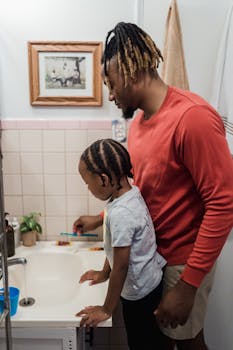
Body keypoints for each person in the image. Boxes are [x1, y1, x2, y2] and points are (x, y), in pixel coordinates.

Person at [73, 22, 233, 350]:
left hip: (182, 262)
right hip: (154, 259)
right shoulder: (140, 125)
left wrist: (188, 285)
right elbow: (142, 196)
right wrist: (101, 220)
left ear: (131, 70)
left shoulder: (192, 118)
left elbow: (224, 204)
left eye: (111, 83)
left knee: (189, 344)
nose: (111, 94)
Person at [75, 138, 166, 350]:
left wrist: (107, 309)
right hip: (147, 282)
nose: (88, 188)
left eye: (88, 183)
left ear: (104, 179)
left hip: (140, 294)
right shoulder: (127, 193)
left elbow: (122, 264)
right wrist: (104, 273)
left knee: (140, 343)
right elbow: (117, 251)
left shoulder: (122, 214)